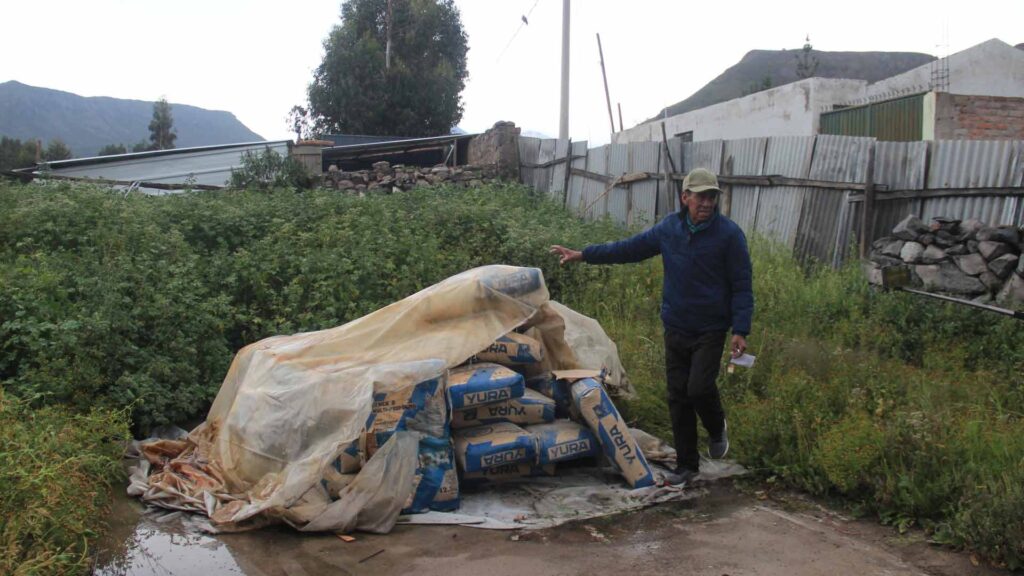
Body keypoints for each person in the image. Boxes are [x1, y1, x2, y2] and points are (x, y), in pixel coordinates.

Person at [550, 167, 753, 486]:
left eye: (712, 196)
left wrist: (740, 329)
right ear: (685, 197)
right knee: (678, 395)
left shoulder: (729, 235)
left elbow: (742, 284)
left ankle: (716, 428)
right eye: (701, 196)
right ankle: (687, 465)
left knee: (699, 388)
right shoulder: (669, 230)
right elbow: (629, 249)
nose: (707, 203)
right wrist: (583, 255)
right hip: (676, 325)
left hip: (711, 328)